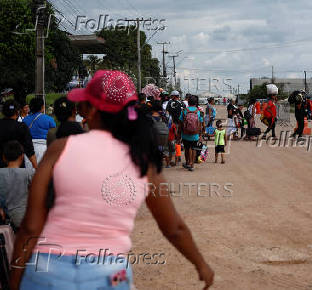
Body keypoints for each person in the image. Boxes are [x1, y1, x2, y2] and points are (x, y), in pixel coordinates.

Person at [10, 70, 214, 290]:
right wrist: (201, 264)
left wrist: (14, 283)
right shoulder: (142, 161)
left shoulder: (60, 149)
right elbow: (174, 228)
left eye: (84, 106)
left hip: (46, 272)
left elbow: (30, 228)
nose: (82, 113)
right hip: (108, 276)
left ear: (95, 110)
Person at [0, 141, 34, 230]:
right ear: (22, 156)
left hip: (3, 219)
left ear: (4, 157)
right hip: (24, 219)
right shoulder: (29, 173)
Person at [0, 100, 37, 169]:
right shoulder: (22, 127)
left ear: (3, 112)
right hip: (18, 167)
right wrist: (36, 168)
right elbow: (30, 151)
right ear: (17, 112)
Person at [22, 97, 56, 166]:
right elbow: (54, 135)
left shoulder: (25, 120)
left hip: (29, 148)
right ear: (42, 107)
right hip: (44, 148)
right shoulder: (49, 119)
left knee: (29, 171)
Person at [179, 95, 203, 172]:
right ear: (196, 102)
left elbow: (180, 122)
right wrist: (200, 134)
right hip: (195, 134)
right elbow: (201, 123)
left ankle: (187, 162)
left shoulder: (184, 111)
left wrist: (179, 133)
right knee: (193, 149)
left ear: (188, 102)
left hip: (185, 133)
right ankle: (192, 165)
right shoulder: (198, 111)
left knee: (186, 148)